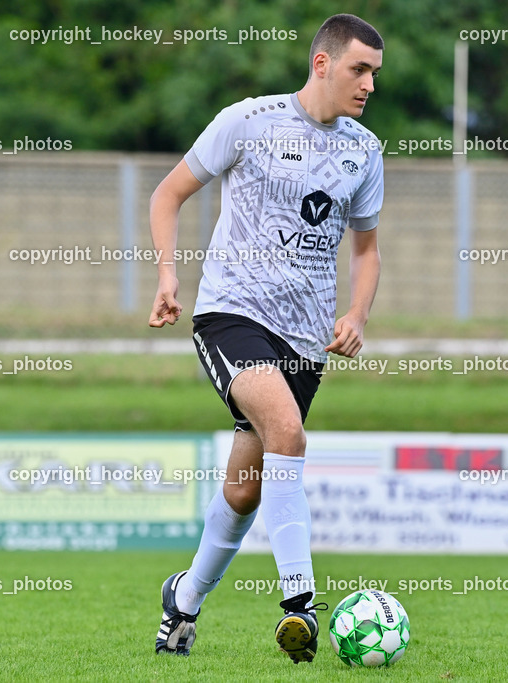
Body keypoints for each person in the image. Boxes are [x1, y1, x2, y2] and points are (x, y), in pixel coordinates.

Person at [147, 13, 384, 663]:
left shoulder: (364, 150)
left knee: (245, 488)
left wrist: (357, 313)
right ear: (322, 64)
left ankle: (183, 600)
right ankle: (300, 605)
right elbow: (168, 194)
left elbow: (367, 252)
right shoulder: (249, 121)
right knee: (287, 433)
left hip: (306, 341)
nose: (368, 84)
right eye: (359, 69)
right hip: (231, 313)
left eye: (374, 74)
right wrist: (168, 275)